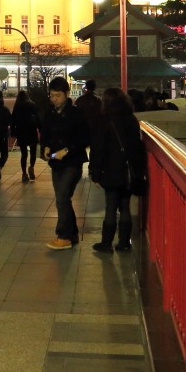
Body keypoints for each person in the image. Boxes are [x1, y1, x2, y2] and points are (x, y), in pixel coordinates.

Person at [89, 88, 147, 253]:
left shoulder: (104, 120)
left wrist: (95, 172)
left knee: (111, 206)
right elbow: (137, 146)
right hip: (128, 171)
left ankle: (106, 243)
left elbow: (98, 148)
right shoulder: (131, 119)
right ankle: (124, 243)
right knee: (125, 206)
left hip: (110, 170)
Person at [39, 76, 90, 250]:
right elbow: (44, 133)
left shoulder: (76, 113)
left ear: (67, 94)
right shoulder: (49, 113)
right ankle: (73, 233)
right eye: (52, 96)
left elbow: (84, 137)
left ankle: (63, 236)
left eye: (58, 96)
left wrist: (66, 150)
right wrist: (45, 147)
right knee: (64, 199)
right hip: (55, 163)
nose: (54, 99)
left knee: (61, 198)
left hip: (73, 162)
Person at [10, 90, 41, 182]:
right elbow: (37, 117)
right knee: (33, 152)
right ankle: (31, 167)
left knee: (24, 154)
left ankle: (24, 174)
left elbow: (13, 120)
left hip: (21, 132)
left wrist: (13, 132)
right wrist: (40, 128)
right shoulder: (32, 105)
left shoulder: (17, 106)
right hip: (31, 131)